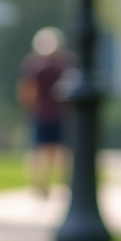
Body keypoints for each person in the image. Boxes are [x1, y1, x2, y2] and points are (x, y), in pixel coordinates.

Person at [17, 27, 75, 197]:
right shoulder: (64, 63)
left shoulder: (35, 64)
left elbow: (27, 91)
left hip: (47, 113)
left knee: (42, 151)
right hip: (53, 113)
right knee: (54, 151)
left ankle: (41, 185)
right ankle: (53, 184)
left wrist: (27, 107)